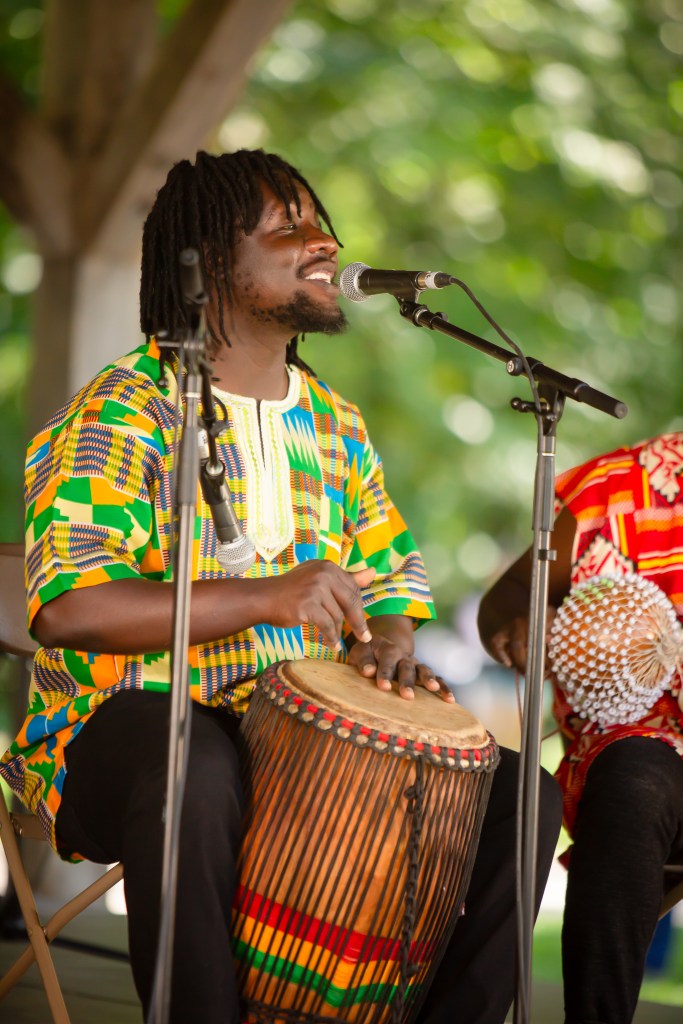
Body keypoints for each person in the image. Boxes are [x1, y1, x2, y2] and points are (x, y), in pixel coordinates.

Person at [0, 149, 561, 1024]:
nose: (324, 241)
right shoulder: (121, 412)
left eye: (319, 224)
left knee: (521, 795)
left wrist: (385, 651)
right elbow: (71, 607)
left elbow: (389, 584)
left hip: (292, 734)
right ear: (210, 262)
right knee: (192, 763)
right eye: (287, 228)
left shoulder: (334, 423)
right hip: (117, 735)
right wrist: (268, 596)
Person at [478, 432, 683, 1024]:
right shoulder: (625, 487)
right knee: (633, 781)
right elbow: (510, 596)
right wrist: (524, 622)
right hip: (643, 746)